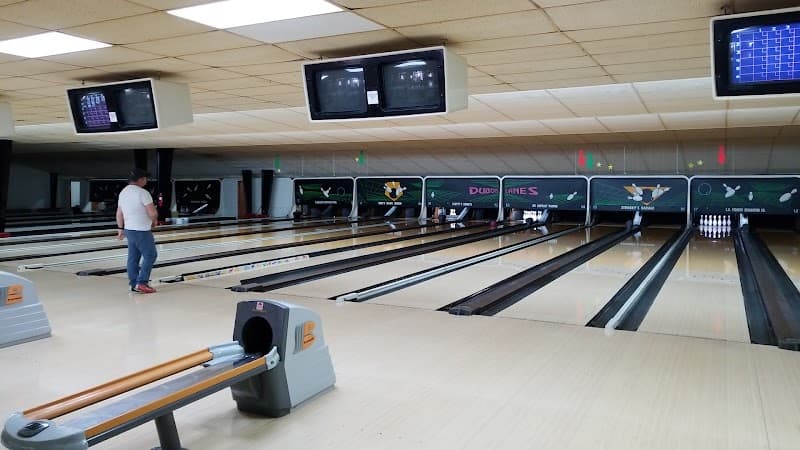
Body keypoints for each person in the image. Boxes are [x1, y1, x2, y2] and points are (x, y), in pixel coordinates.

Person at [116, 168, 159, 294]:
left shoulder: (123, 192)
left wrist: (120, 229)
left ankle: (133, 283)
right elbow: (152, 212)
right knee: (151, 255)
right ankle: (142, 283)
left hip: (130, 230)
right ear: (141, 179)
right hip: (142, 230)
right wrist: (154, 220)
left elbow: (119, 212)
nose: (146, 180)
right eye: (145, 178)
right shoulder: (143, 193)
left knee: (133, 258)